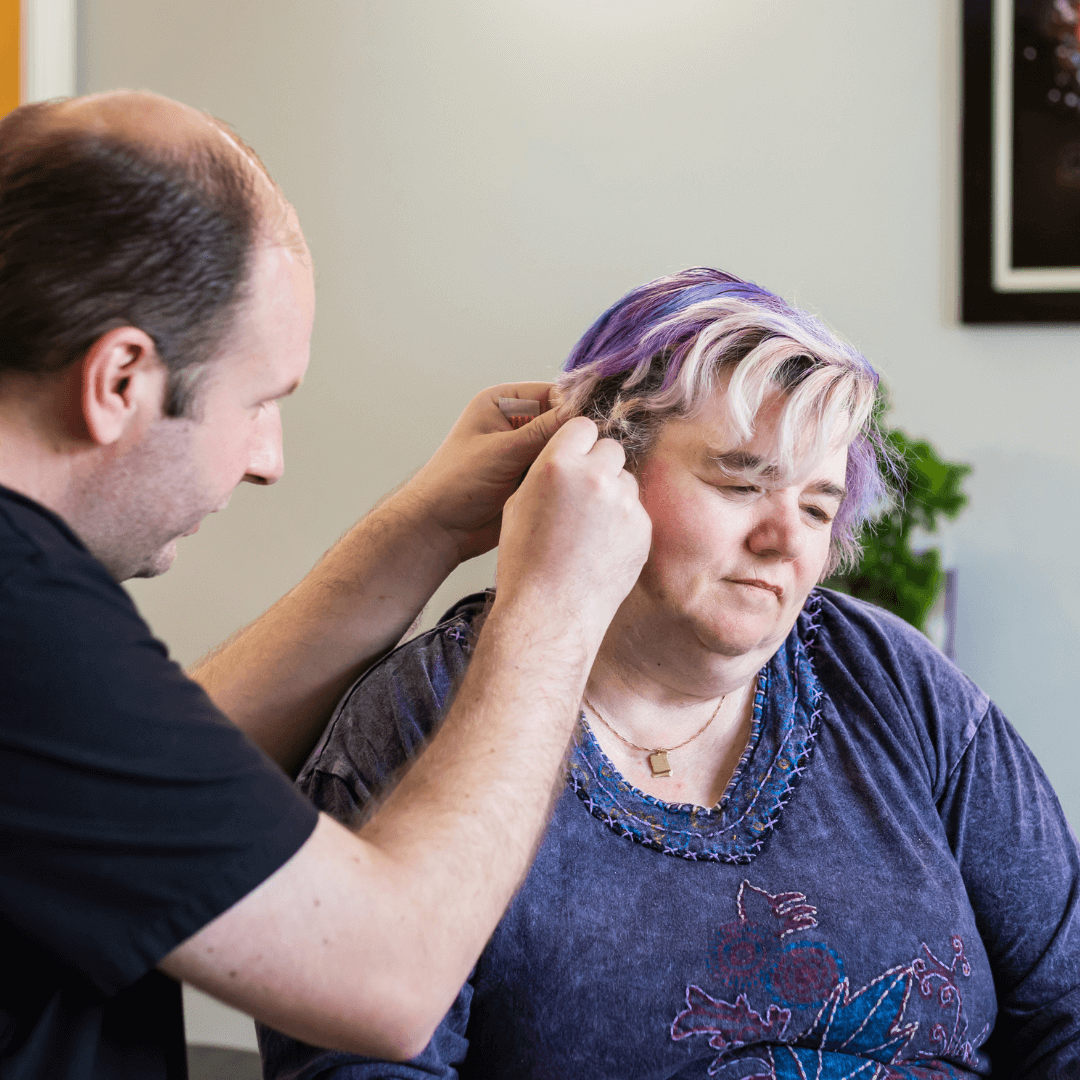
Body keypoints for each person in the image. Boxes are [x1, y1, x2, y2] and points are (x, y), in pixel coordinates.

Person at [260, 268, 1080, 1079]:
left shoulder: (893, 682)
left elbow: (1067, 1007)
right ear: (596, 475)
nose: (785, 540)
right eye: (739, 481)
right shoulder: (422, 714)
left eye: (819, 508)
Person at [0, 91, 653, 1080]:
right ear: (120, 379)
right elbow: (391, 979)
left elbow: (133, 794)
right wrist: (554, 608)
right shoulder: (21, 618)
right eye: (260, 403)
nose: (269, 461)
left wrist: (425, 527)